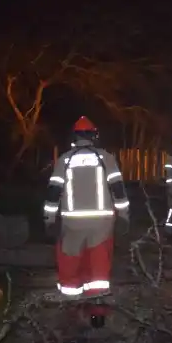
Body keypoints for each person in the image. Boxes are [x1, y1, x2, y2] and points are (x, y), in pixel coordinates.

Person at [42, 116, 130, 326]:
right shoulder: (106, 158)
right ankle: (97, 316)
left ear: (74, 136)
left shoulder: (65, 160)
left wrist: (49, 219)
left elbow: (53, 192)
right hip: (102, 224)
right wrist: (125, 217)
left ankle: (71, 314)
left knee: (70, 268)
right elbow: (118, 191)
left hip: (72, 225)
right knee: (98, 271)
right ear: (94, 136)